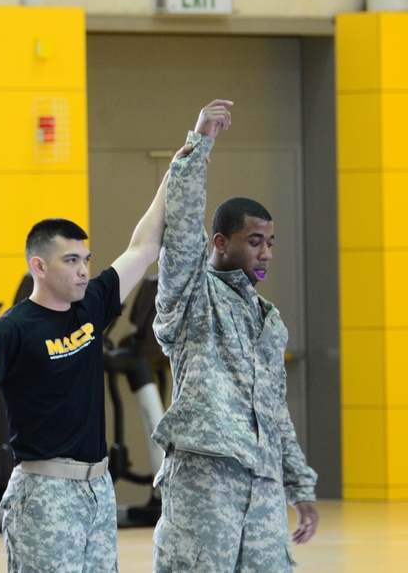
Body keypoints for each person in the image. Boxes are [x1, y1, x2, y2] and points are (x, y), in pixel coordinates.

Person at [0, 121, 196, 572]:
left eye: (86, 260)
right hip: (44, 493)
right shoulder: (10, 329)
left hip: (98, 490)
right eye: (71, 261)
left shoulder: (92, 305)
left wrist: (182, 163)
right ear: (39, 266)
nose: (83, 271)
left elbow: (144, 244)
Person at [151, 100, 319, 572]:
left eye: (270, 243)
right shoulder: (192, 296)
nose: (264, 253)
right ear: (221, 243)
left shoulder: (269, 318)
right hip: (205, 481)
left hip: (263, 488)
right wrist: (201, 142)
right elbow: (181, 227)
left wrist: (300, 488)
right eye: (253, 241)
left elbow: (274, 410)